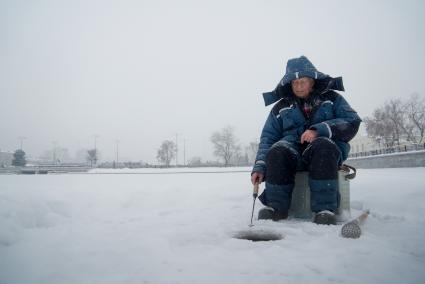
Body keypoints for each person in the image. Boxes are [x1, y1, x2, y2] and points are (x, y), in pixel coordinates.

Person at [251, 55, 361, 225]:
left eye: (303, 81)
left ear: (312, 81)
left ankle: (324, 210)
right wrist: (260, 167)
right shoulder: (280, 107)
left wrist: (320, 130)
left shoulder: (331, 99)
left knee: (323, 145)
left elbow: (352, 121)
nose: (299, 86)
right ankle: (275, 208)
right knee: (277, 150)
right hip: (292, 156)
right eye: (295, 83)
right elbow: (268, 138)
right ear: (289, 85)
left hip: (324, 153)